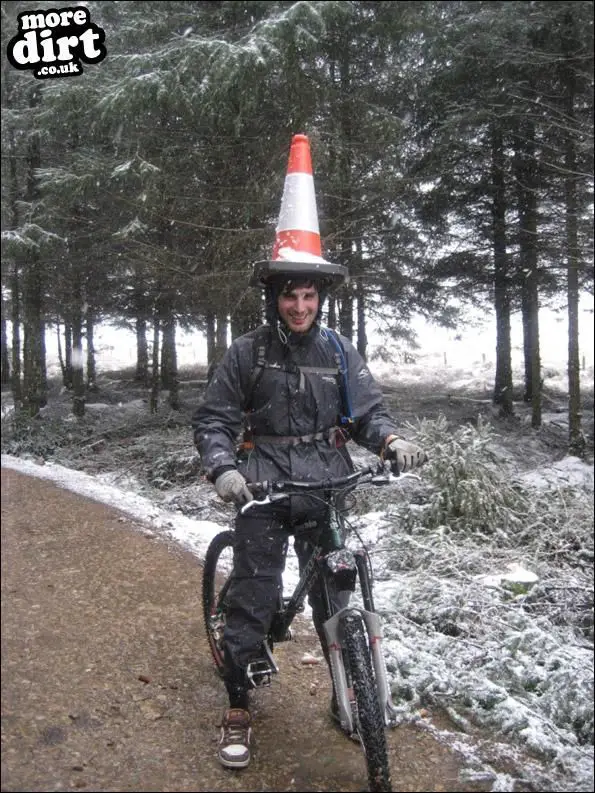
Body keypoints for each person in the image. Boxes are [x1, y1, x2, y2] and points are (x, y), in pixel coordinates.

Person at [192, 259, 426, 770]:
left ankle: (350, 695)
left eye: (309, 297)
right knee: (255, 594)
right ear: (274, 298)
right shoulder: (247, 352)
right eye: (290, 297)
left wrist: (390, 440)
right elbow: (214, 418)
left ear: (320, 300)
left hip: (327, 484)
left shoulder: (339, 351)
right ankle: (238, 706)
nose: (300, 307)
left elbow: (367, 412)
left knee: (334, 595)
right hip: (263, 485)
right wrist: (223, 469)